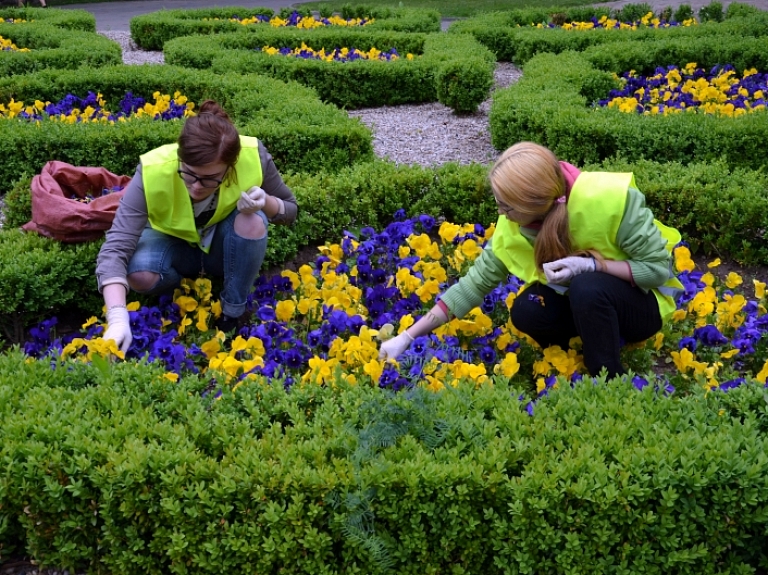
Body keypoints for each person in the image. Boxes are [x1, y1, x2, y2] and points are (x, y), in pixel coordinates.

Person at [379, 141, 683, 379]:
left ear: (535, 204)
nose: (501, 214)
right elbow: (473, 285)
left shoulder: (608, 199)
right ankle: (568, 360)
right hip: (590, 307)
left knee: (587, 286)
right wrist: (407, 336)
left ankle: (606, 375)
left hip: (642, 306)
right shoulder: (516, 226)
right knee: (527, 310)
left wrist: (595, 265)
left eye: (507, 207)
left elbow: (656, 270)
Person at [97, 99, 298, 353]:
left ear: (230, 168)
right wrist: (117, 318)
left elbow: (291, 210)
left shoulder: (253, 156)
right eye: (189, 174)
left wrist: (266, 202)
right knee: (140, 273)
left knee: (253, 222)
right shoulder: (153, 170)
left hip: (221, 246)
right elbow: (115, 247)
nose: (196, 186)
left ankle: (232, 312)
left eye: (210, 179)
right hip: (171, 245)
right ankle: (181, 293)